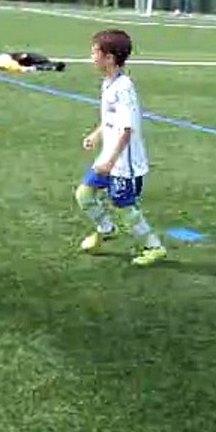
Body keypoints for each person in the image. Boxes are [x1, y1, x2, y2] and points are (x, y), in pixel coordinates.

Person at [75, 29, 167, 267]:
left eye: (95, 51)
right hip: (109, 157)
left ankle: (153, 247)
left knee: (124, 206)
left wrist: (110, 161)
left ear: (110, 58)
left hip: (124, 163)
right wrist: (96, 135)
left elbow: (127, 129)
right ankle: (106, 228)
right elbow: (111, 120)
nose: (91, 56)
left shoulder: (123, 87)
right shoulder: (109, 83)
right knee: (84, 194)